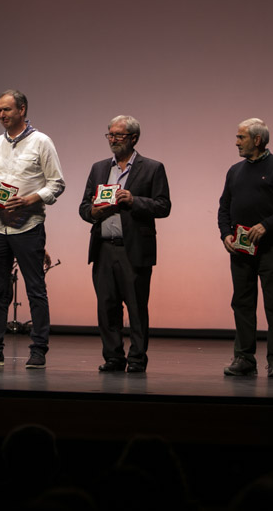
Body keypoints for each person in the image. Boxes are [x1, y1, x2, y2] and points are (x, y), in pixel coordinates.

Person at [0, 89, 64, 369]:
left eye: (6, 109)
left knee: (35, 290)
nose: (1, 115)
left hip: (28, 226)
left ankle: (38, 350)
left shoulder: (41, 142)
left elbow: (57, 184)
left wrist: (29, 200)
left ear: (22, 110)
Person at [78, 115, 171, 373]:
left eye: (118, 135)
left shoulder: (152, 168)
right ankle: (113, 358)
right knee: (107, 306)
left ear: (134, 138)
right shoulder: (99, 168)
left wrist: (134, 200)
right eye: (110, 134)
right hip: (104, 248)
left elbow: (163, 206)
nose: (113, 140)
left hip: (134, 249)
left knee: (136, 307)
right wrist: (93, 212)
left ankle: (137, 359)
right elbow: (84, 206)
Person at [217, 118, 273, 377]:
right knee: (242, 303)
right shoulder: (234, 171)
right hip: (241, 249)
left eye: (241, 137)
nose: (236, 142)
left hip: (272, 248)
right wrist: (225, 234)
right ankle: (244, 358)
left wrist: (266, 225)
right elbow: (224, 207)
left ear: (257, 140)